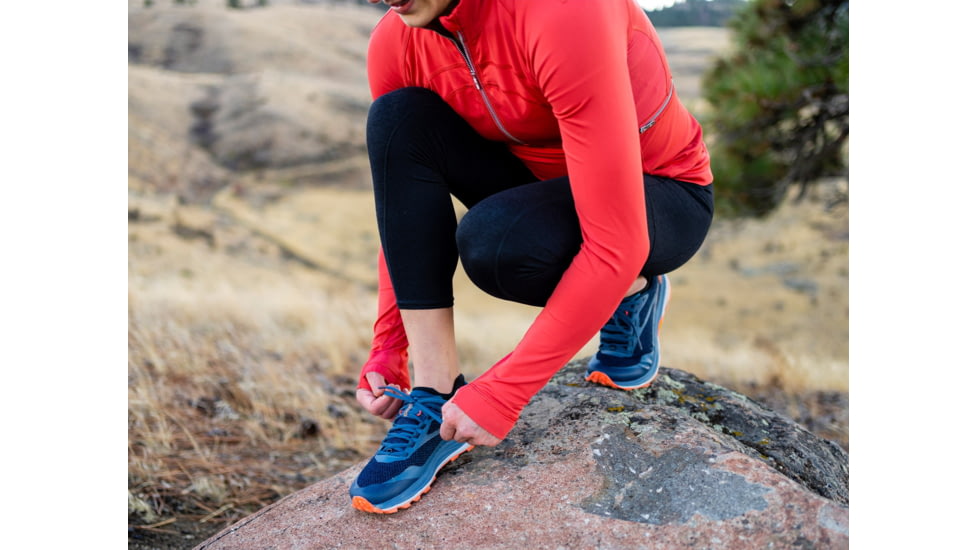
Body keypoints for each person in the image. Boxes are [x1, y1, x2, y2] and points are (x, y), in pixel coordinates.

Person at [349, 0, 714, 514]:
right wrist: (389, 345)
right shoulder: (396, 39)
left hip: (660, 192)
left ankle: (631, 290)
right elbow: (402, 201)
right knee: (397, 118)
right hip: (544, 191)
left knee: (496, 248)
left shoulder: (565, 12)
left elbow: (617, 241)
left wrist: (503, 393)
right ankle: (433, 394)